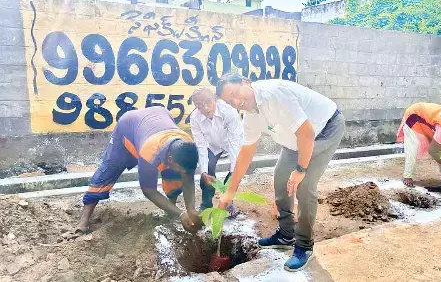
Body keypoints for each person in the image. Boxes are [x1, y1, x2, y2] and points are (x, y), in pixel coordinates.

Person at [215, 73, 345, 272]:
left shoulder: (274, 94)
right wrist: (230, 192)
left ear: (245, 83)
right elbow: (246, 152)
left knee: (304, 186)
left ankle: (304, 246)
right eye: (229, 101)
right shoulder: (251, 115)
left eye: (235, 93)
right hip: (295, 139)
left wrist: (301, 170)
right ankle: (286, 235)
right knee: (281, 177)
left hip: (324, 128)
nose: (236, 102)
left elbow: (307, 133)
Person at [76, 107, 202, 235]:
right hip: (128, 128)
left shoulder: (187, 145)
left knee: (174, 175)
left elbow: (188, 177)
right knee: (109, 169)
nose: (183, 172)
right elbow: (149, 190)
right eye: (181, 168)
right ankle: (84, 220)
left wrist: (191, 210)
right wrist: (181, 213)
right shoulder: (150, 152)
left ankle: (170, 210)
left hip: (158, 118)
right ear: (169, 159)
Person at [190, 87, 243, 216]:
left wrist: (233, 171)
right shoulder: (195, 118)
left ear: (215, 98)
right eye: (200, 106)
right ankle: (206, 204)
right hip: (212, 146)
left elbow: (234, 142)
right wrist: (204, 171)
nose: (206, 108)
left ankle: (228, 203)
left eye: (208, 102)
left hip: (232, 144)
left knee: (234, 174)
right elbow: (201, 145)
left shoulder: (228, 112)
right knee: (207, 171)